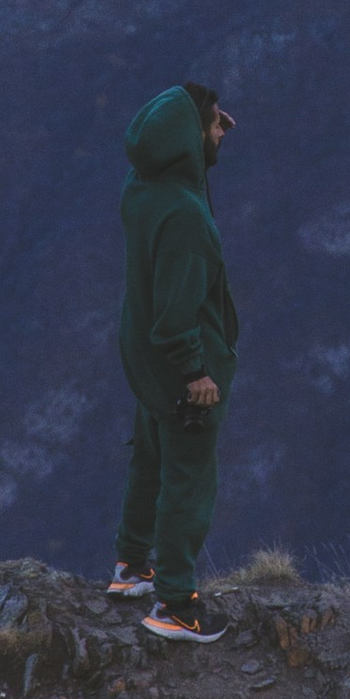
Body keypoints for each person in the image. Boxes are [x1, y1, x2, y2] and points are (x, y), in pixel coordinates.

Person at [108, 81, 239, 644]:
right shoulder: (185, 216)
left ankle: (132, 567)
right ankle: (176, 604)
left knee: (151, 460)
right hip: (180, 368)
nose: (227, 126)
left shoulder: (141, 189)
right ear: (187, 138)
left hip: (142, 358)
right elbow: (176, 311)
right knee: (189, 478)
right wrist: (196, 371)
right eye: (214, 121)